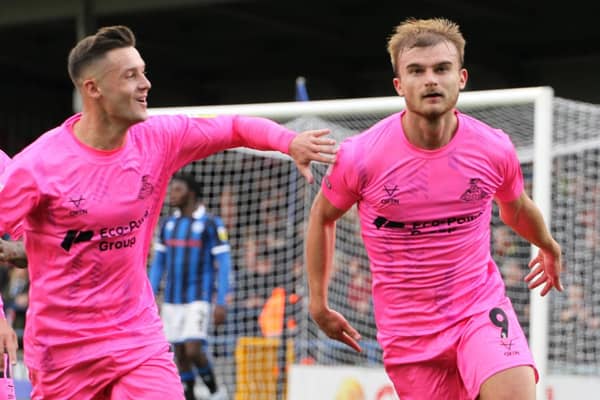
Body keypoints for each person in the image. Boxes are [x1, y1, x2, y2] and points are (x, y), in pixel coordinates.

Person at [0, 25, 336, 399]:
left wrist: (288, 141)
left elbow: (235, 127)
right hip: (63, 353)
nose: (145, 83)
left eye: (143, 71)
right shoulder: (38, 165)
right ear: (93, 89)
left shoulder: (160, 137)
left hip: (136, 340)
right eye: (131, 75)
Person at [305, 17, 563, 400]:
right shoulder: (360, 156)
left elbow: (517, 208)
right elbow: (322, 216)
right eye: (416, 71)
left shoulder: (493, 149)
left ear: (460, 78)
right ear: (399, 85)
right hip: (409, 333)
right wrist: (318, 302)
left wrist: (548, 244)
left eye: (441, 69)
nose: (430, 80)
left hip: (479, 309)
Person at [149, 173, 232, 400]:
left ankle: (216, 392)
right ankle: (189, 395)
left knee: (193, 348)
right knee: (179, 354)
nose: (171, 194)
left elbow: (224, 264)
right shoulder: (168, 225)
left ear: (191, 193)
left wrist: (222, 300)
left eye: (177, 189)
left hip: (199, 298)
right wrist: (150, 295)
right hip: (172, 300)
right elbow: (158, 265)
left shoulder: (211, 223)